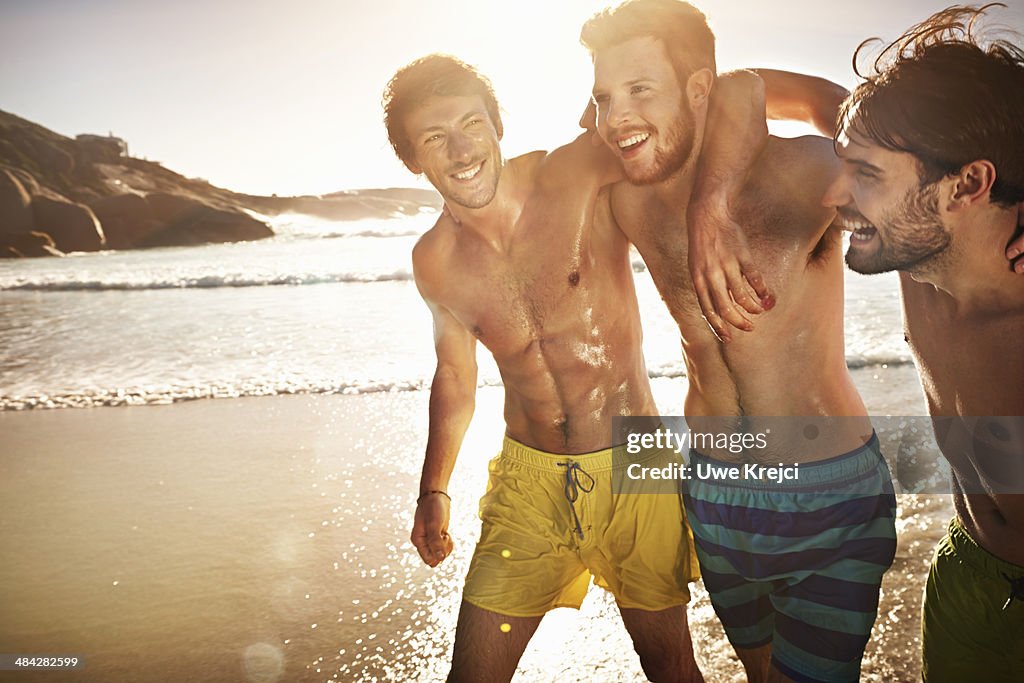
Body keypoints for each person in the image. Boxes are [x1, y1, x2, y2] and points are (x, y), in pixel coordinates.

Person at [581, 1, 898, 681]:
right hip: (715, 492)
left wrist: (714, 195)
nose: (617, 116)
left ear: (700, 90)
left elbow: (875, 142)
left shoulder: (806, 173)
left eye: (641, 90)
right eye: (605, 97)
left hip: (827, 493)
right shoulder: (626, 198)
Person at [383, 53, 704, 683]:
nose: (460, 149)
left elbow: (674, 130)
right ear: (413, 159)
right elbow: (455, 377)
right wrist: (433, 488)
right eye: (433, 138)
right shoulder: (434, 260)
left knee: (669, 663)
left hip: (636, 459)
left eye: (472, 125)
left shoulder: (574, 173)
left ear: (497, 126)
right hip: (528, 486)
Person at [819, 6, 1024, 681]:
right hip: (968, 573)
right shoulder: (918, 264)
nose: (835, 192)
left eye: (866, 175)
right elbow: (806, 98)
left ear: (968, 184)